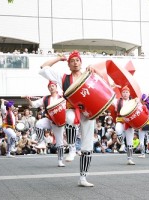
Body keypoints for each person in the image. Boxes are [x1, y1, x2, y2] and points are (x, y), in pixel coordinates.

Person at [39, 50, 95, 187]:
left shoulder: (89, 75)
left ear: (81, 63)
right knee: (69, 119)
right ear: (68, 65)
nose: (75, 63)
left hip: (88, 112)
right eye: (72, 61)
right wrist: (58, 58)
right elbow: (43, 67)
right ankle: (71, 149)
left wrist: (95, 71)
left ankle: (83, 178)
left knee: (88, 147)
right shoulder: (63, 78)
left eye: (77, 60)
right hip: (71, 109)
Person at [25, 81, 66, 167]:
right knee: (39, 124)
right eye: (50, 86)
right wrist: (28, 99)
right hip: (49, 119)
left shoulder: (62, 97)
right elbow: (33, 105)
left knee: (60, 142)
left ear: (56, 87)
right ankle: (41, 142)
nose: (51, 87)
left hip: (58, 122)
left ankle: (60, 160)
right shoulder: (45, 98)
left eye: (53, 86)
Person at [115, 85, 137, 165]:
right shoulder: (118, 101)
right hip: (120, 120)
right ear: (121, 93)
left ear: (129, 93)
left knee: (130, 142)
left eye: (126, 92)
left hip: (129, 123)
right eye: (123, 92)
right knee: (118, 130)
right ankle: (122, 143)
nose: (125, 94)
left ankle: (130, 159)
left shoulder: (133, 101)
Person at [137, 93, 149, 158]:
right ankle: (148, 149)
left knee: (141, 139)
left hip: (143, 123)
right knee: (147, 137)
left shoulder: (143, 106)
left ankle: (143, 153)